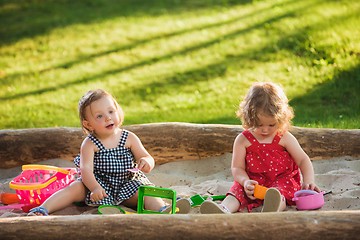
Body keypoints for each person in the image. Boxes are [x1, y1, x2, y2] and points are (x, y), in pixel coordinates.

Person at [29, 89, 190, 215]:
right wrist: (95, 188)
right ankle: (43, 209)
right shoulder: (90, 144)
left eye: (111, 111)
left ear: (118, 111)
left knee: (146, 191)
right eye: (100, 116)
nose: (108, 118)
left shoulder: (129, 138)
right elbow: (86, 170)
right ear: (88, 124)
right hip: (98, 186)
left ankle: (162, 210)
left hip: (128, 184)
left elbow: (146, 156)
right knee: (74, 188)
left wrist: (147, 162)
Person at [200, 82, 320, 214]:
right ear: (249, 118)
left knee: (278, 194)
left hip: (281, 180)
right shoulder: (243, 140)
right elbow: (237, 168)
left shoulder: (283, 137)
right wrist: (245, 182)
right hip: (253, 183)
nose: (265, 129)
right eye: (259, 124)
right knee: (236, 192)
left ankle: (271, 209)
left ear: (280, 118)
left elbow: (303, 159)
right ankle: (224, 209)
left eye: (271, 124)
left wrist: (308, 181)